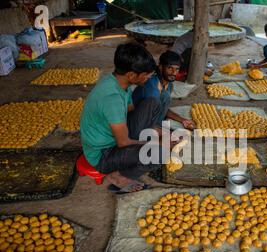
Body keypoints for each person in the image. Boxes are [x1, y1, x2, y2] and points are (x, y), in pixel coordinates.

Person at [80, 43, 172, 194]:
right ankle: (119, 177)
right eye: (146, 74)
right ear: (131, 75)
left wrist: (163, 132)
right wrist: (157, 142)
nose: (149, 77)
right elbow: (123, 142)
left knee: (152, 102)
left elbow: (131, 114)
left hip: (118, 135)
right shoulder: (112, 99)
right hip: (103, 154)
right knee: (159, 153)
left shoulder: (120, 83)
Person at [132, 50, 195, 130]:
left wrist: (182, 120)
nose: (173, 73)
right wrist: (161, 133)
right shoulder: (152, 85)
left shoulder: (169, 85)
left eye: (177, 69)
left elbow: (162, 109)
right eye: (170, 68)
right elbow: (145, 117)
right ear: (161, 67)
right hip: (138, 126)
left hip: (153, 125)